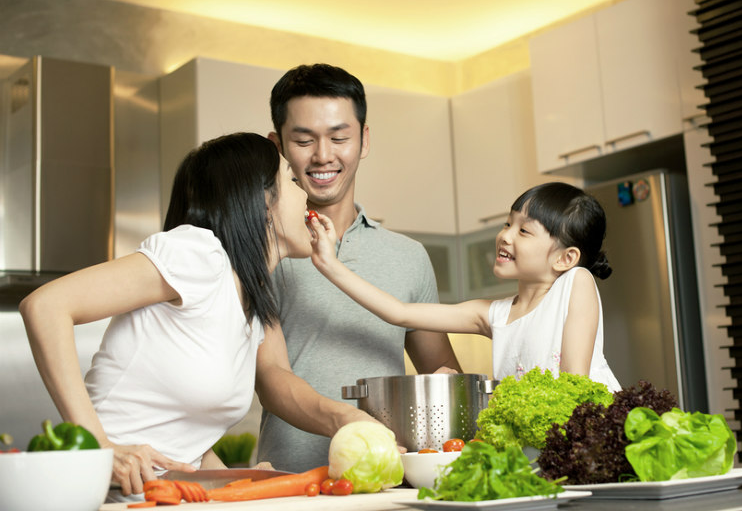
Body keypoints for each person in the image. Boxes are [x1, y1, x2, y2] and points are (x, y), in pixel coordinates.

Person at [19, 132, 370, 501]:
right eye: (292, 181)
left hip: (156, 499)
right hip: (97, 497)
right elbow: (45, 306)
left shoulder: (250, 307)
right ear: (262, 199)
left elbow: (187, 446)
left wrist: (248, 485)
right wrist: (99, 447)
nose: (306, 195)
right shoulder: (197, 254)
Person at [258, 63, 462, 472]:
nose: (323, 156)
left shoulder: (408, 257)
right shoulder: (262, 252)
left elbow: (441, 372)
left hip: (390, 478)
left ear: (364, 139)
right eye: (303, 140)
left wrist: (448, 386)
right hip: (291, 482)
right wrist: (348, 421)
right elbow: (270, 378)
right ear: (277, 145)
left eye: (339, 137)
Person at [308, 181, 622, 391]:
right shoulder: (494, 315)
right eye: (507, 223)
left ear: (566, 258)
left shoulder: (576, 283)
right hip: (540, 449)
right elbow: (399, 313)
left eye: (524, 231)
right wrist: (331, 266)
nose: (505, 236)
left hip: (585, 438)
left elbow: (574, 385)